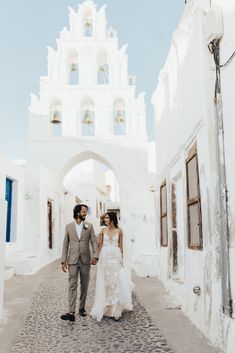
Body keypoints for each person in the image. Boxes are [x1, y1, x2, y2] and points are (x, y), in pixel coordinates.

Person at [90, 211, 133, 321]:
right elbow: (99, 246)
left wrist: (121, 261)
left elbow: (121, 246)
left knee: (116, 282)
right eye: (105, 218)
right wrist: (96, 258)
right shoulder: (102, 231)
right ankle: (108, 307)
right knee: (107, 283)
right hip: (105, 260)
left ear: (112, 219)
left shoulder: (120, 231)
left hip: (115, 259)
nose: (105, 220)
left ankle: (116, 309)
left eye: (107, 218)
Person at [60, 204, 99, 322]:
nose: (85, 213)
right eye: (83, 212)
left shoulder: (89, 226)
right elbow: (65, 244)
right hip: (72, 260)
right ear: (77, 213)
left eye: (86, 212)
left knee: (84, 285)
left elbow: (94, 241)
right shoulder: (68, 227)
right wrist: (63, 261)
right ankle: (71, 311)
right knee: (72, 285)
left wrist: (95, 256)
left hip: (85, 260)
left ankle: (81, 308)